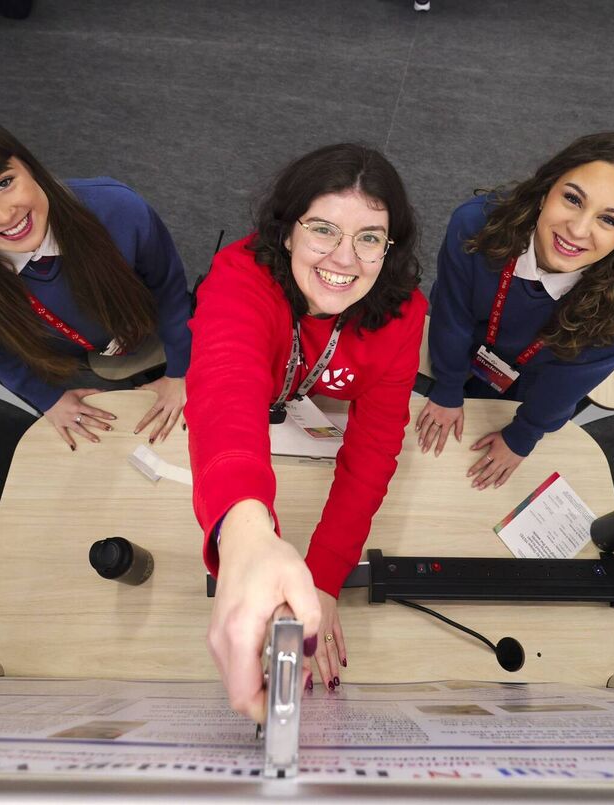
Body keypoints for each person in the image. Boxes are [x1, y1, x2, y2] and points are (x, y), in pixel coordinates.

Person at [186, 143, 427, 720]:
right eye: (323, 229)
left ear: (389, 249)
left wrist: (323, 576)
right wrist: (246, 537)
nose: (345, 258)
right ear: (288, 230)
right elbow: (226, 391)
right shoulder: (240, 275)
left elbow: (373, 449)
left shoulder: (403, 313)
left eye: (369, 238)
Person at [0, 106, 191, 449]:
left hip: (155, 335)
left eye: (4, 183)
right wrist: (47, 398)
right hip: (67, 368)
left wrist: (181, 372)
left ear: (29, 166)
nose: (3, 215)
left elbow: (169, 291)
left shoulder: (119, 209)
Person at [417, 131, 614, 488]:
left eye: (610, 220)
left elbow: (567, 382)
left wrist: (523, 435)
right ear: (546, 190)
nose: (577, 230)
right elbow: (452, 315)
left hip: (538, 384)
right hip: (461, 352)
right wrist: (447, 387)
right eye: (572, 199)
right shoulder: (475, 225)